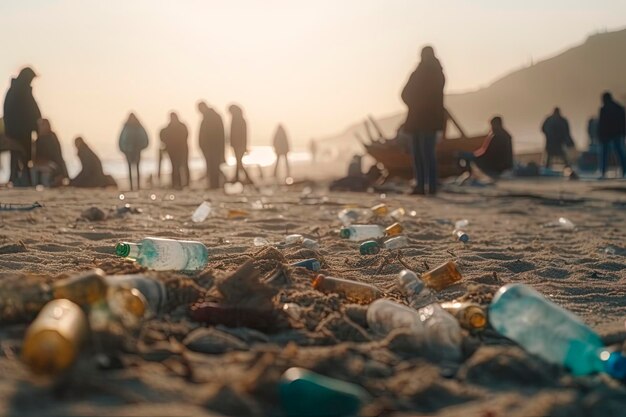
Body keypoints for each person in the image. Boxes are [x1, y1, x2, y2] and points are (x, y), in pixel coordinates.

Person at [401, 46, 445, 195]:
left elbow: (405, 94)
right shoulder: (438, 73)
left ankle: (422, 186)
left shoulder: (420, 73)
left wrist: (415, 106)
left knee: (421, 154)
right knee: (426, 154)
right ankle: (428, 186)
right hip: (429, 120)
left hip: (419, 119)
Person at [3, 67, 41, 185]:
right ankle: (22, 180)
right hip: (21, 132)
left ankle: (16, 179)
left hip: (18, 131)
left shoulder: (15, 91)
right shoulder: (21, 91)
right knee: (23, 157)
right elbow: (31, 111)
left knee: (18, 156)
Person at [597, 92, 626, 178]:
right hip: (617, 133)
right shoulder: (619, 108)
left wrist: (600, 135)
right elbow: (623, 122)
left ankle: (603, 172)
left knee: (604, 154)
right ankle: (624, 171)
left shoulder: (604, 109)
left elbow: (601, 124)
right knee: (620, 153)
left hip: (606, 134)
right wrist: (623, 133)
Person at [198, 101, 225, 189]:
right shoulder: (208, 117)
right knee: (211, 167)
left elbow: (220, 134)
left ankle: (215, 185)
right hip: (209, 147)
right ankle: (213, 185)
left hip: (213, 147)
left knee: (213, 167)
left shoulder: (213, 117)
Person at [33, 118, 68, 186]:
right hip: (43, 163)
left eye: (42, 125)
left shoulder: (51, 137)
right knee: (35, 169)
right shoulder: (39, 139)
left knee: (47, 171)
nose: (40, 128)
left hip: (52, 163)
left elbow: (55, 154)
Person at [118, 113, 149, 190]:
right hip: (128, 150)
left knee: (137, 168)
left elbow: (145, 138)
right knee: (129, 169)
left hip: (137, 150)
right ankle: (131, 186)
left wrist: (142, 147)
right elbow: (121, 139)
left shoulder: (138, 127)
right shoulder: (126, 127)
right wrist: (122, 149)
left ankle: (137, 185)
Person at [160, 112, 189, 189]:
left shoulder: (180, 127)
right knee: (175, 167)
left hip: (180, 149)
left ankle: (184, 183)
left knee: (181, 166)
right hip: (174, 150)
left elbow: (185, 136)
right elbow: (162, 135)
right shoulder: (176, 127)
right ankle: (176, 183)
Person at [228, 104, 253, 184]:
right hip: (237, 145)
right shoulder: (238, 119)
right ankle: (238, 177)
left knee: (239, 162)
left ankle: (243, 178)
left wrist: (244, 145)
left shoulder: (239, 120)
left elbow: (242, 134)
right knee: (239, 162)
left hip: (239, 145)